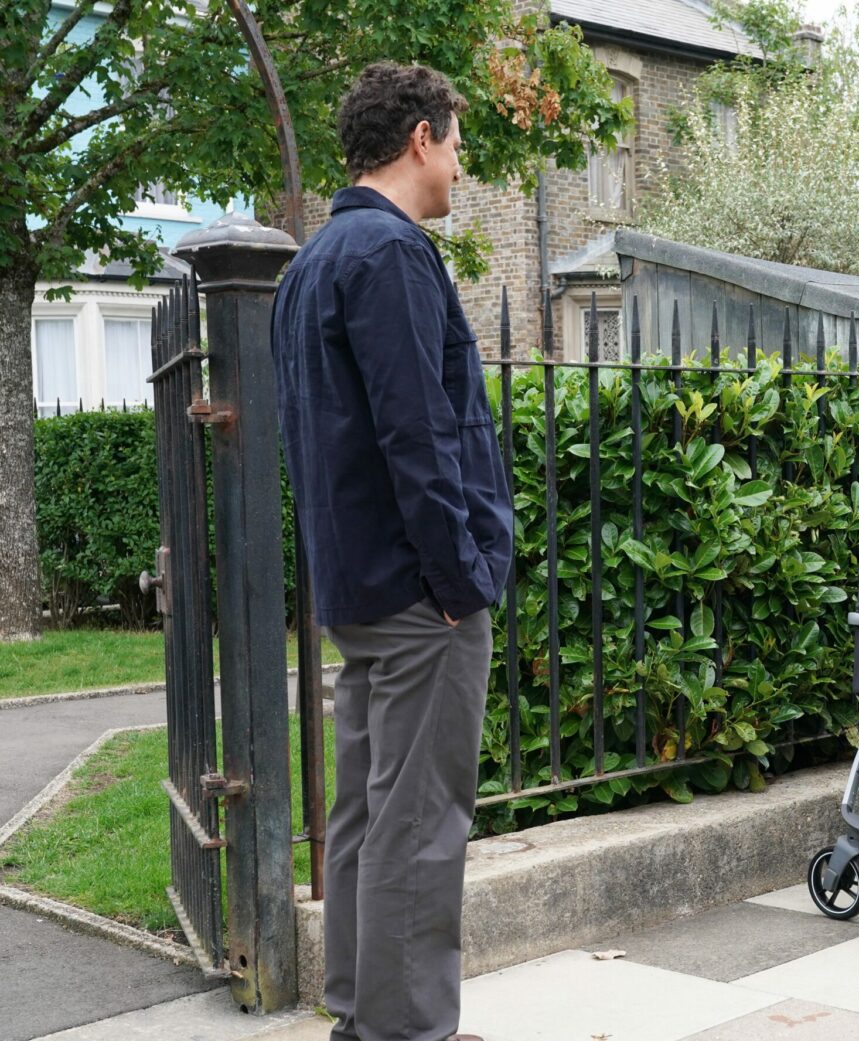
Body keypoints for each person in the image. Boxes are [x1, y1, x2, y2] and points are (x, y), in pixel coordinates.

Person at [272, 62, 511, 1041]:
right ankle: (410, 1031)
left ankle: (363, 1021)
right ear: (419, 138)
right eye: (455, 143)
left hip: (360, 594)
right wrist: (460, 581)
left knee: (371, 821)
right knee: (419, 826)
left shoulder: (311, 263)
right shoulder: (391, 256)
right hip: (421, 603)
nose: (459, 165)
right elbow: (419, 436)